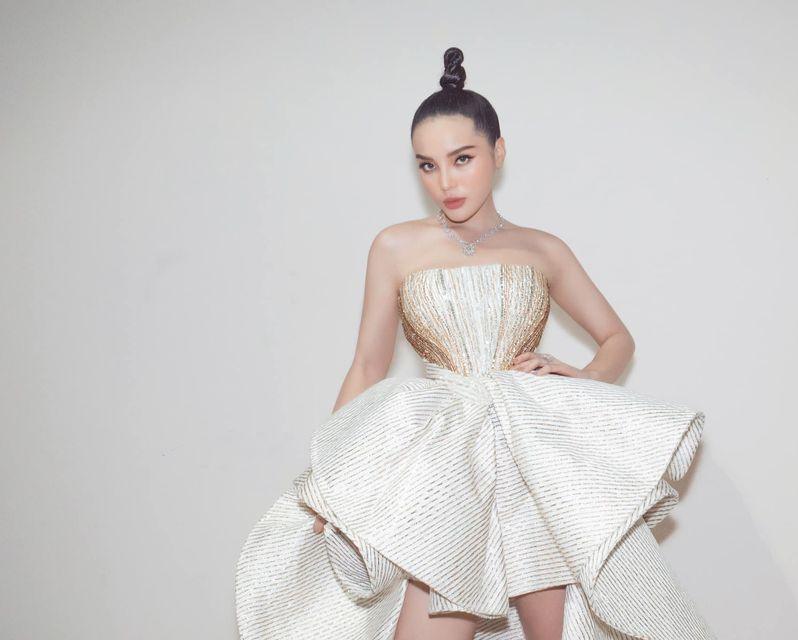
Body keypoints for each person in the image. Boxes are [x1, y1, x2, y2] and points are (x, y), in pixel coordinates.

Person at [235, 46, 715, 640]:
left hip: (531, 458)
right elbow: (366, 365)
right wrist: (329, 483)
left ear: (499, 152)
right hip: (446, 463)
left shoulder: (542, 249)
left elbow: (618, 339)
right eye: (427, 165)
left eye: (462, 159)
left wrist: (584, 378)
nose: (445, 182)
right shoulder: (395, 247)